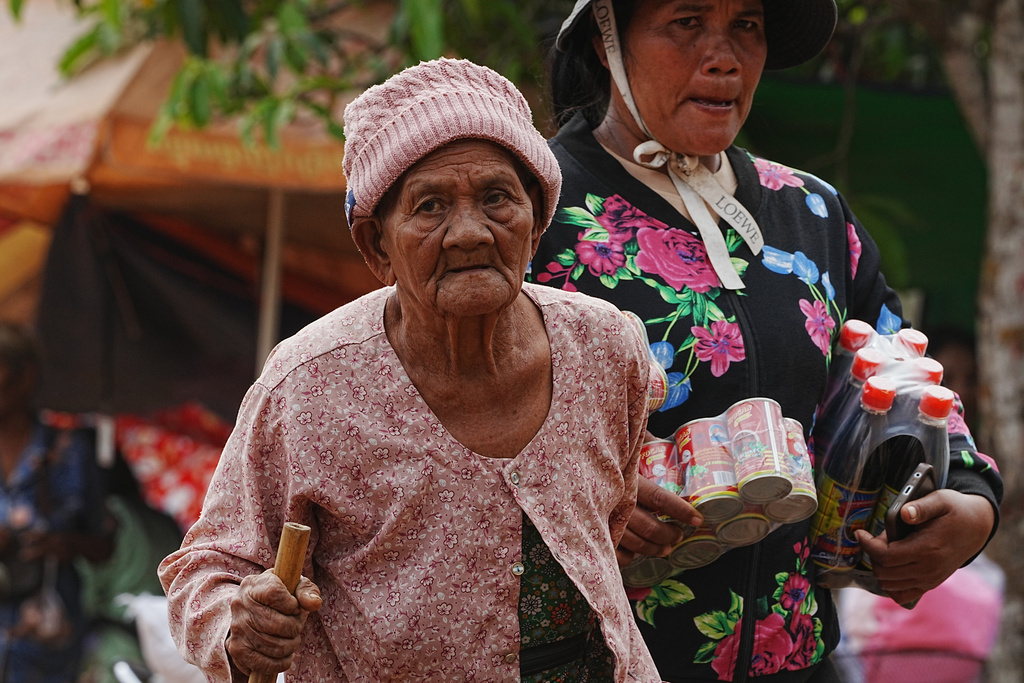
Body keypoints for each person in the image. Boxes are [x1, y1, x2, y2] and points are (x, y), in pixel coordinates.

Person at [527, 1, 1004, 680]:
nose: (723, 56)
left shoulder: (811, 212)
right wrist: (577, 491)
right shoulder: (533, 207)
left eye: (745, 26)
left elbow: (900, 372)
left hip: (798, 660)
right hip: (602, 662)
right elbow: (455, 416)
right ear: (606, 42)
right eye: (686, 21)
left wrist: (970, 498)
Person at [158, 58, 661, 682]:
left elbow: (610, 512)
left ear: (535, 226)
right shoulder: (310, 386)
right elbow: (207, 567)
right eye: (429, 207)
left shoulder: (607, 346)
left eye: (498, 198)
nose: (470, 233)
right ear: (376, 247)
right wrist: (239, 621)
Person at [0, 321, 114, 681]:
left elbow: (104, 545)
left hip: (45, 645)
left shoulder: (68, 453)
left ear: (25, 376)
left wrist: (62, 545)